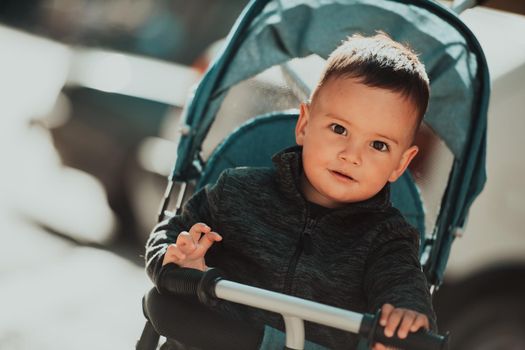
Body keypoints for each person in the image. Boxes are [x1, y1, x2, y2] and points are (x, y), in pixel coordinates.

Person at [144, 32, 436, 350]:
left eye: (378, 145)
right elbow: (172, 231)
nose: (352, 155)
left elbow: (402, 284)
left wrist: (405, 317)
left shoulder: (388, 239)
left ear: (400, 164)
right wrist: (177, 261)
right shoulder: (236, 192)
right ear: (304, 126)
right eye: (339, 129)